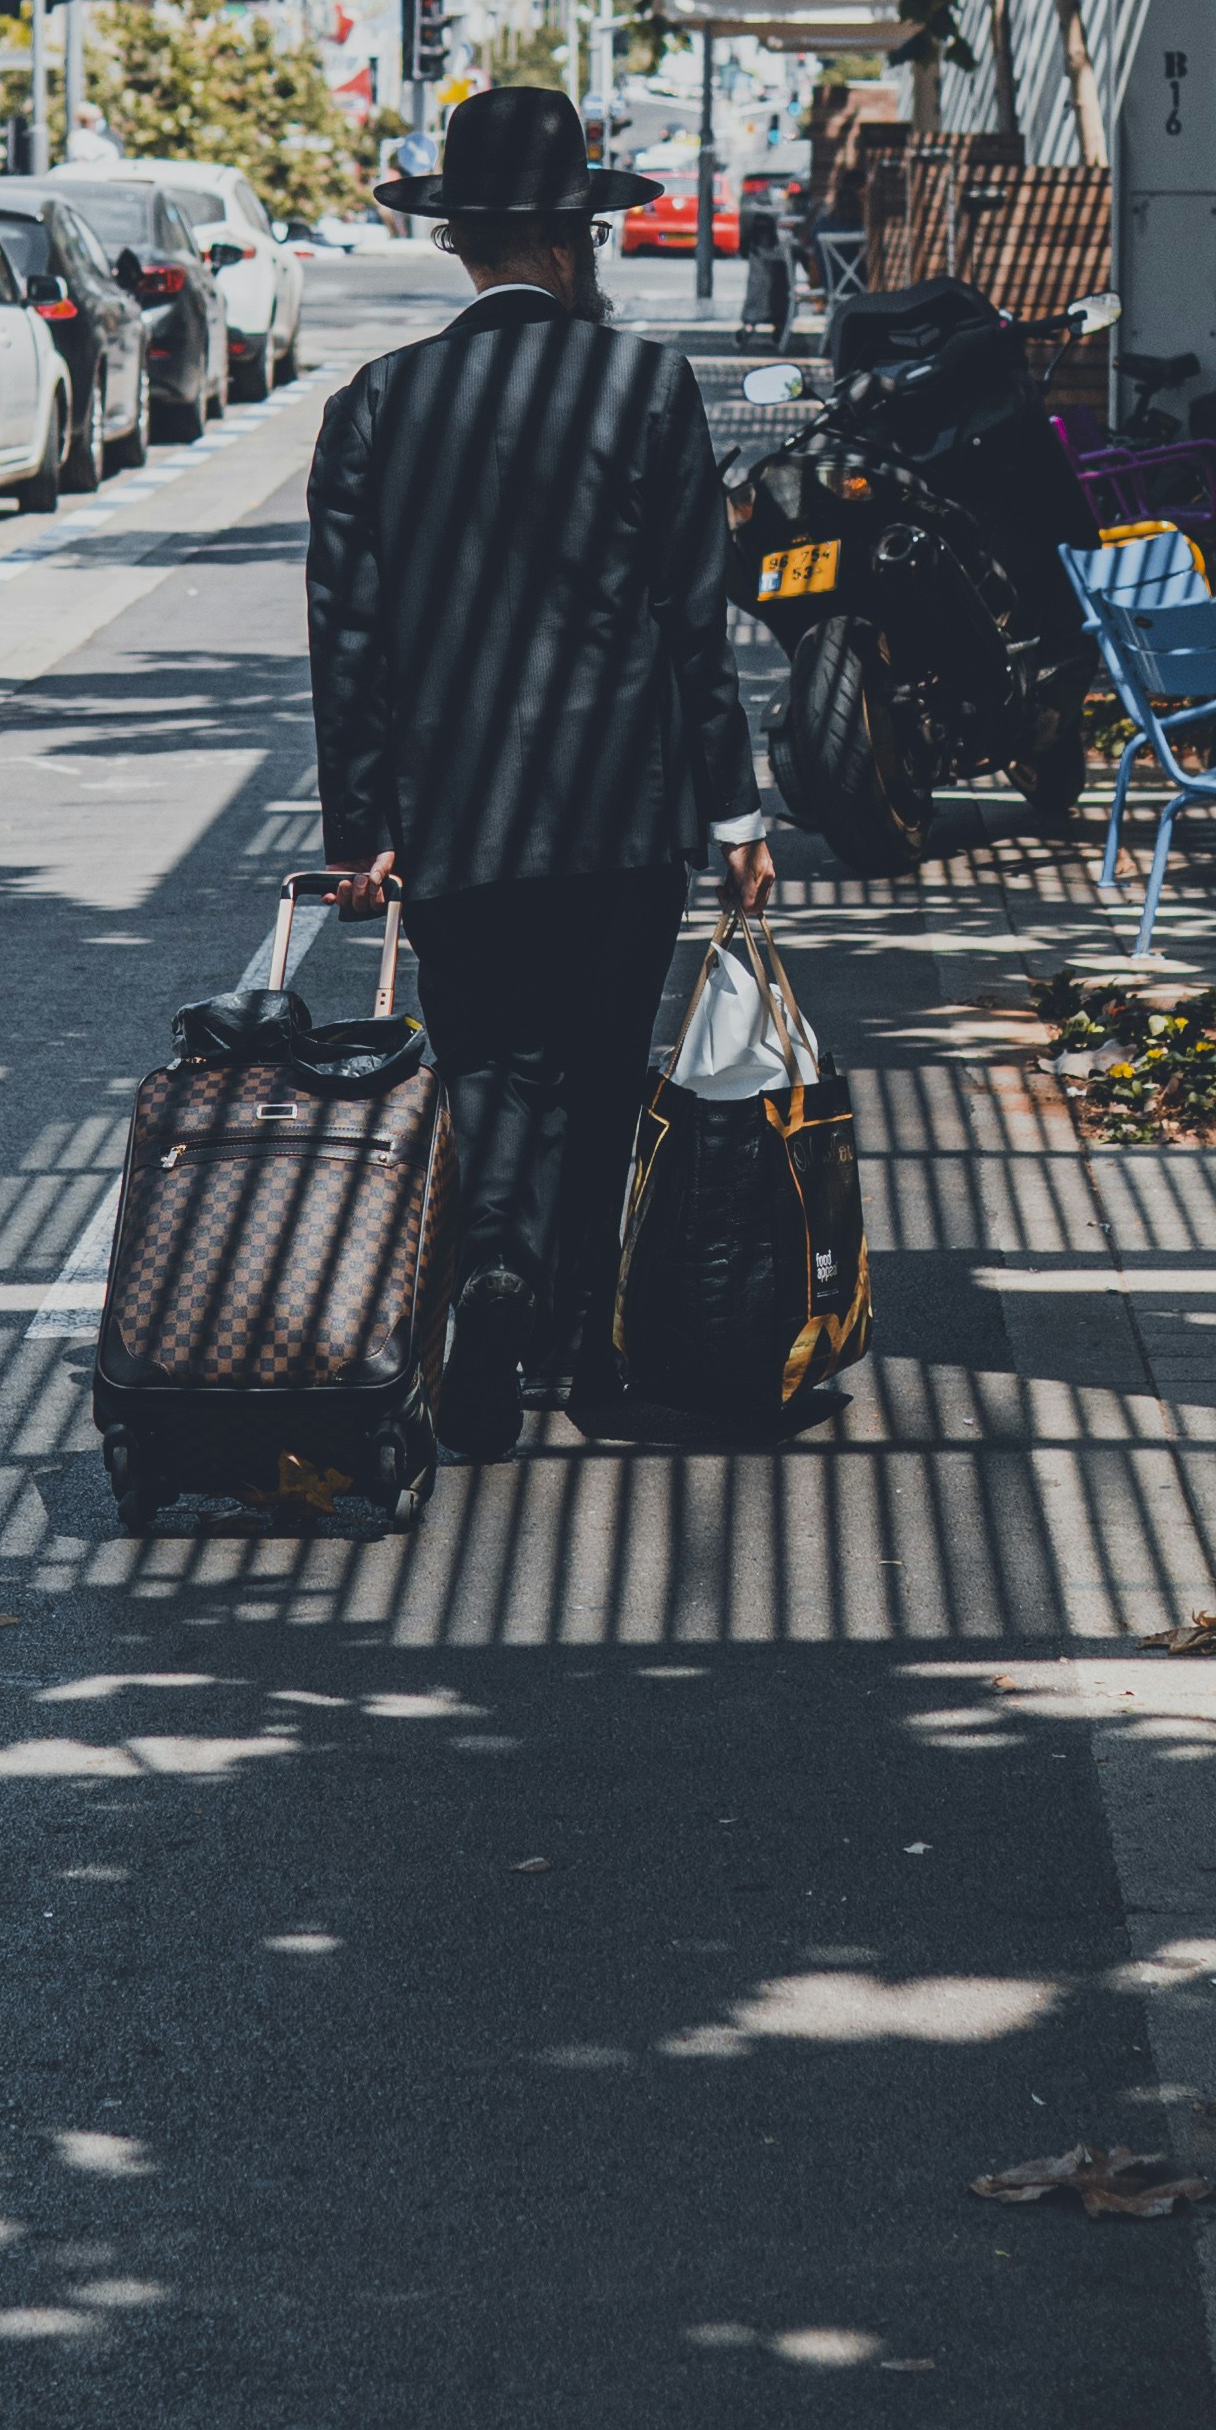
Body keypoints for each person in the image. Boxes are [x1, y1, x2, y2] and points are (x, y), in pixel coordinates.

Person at [304, 83, 773, 1461]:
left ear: (459, 242)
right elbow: (697, 620)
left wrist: (365, 824)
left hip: (457, 823)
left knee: (488, 1066)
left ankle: (485, 1283)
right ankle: (571, 1333)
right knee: (594, 1062)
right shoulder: (643, 387)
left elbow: (349, 640)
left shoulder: (376, 404)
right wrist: (733, 809)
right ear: (575, 242)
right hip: (622, 812)